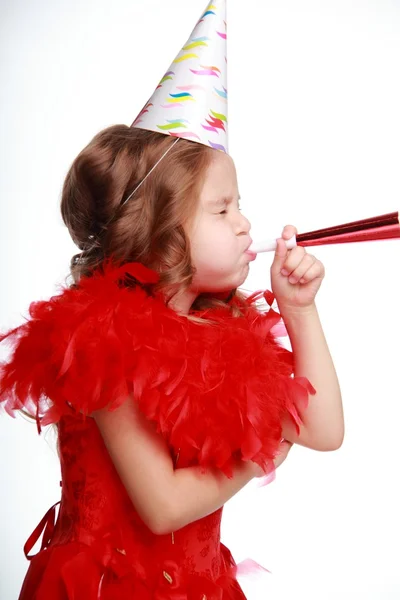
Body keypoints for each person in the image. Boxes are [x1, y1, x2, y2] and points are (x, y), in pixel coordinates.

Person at [0, 1, 344, 598]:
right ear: (157, 233)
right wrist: (257, 455)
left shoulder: (223, 329)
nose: (244, 224)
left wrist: (300, 310)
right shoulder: (100, 342)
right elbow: (161, 506)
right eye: (222, 209)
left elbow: (324, 430)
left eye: (240, 205)